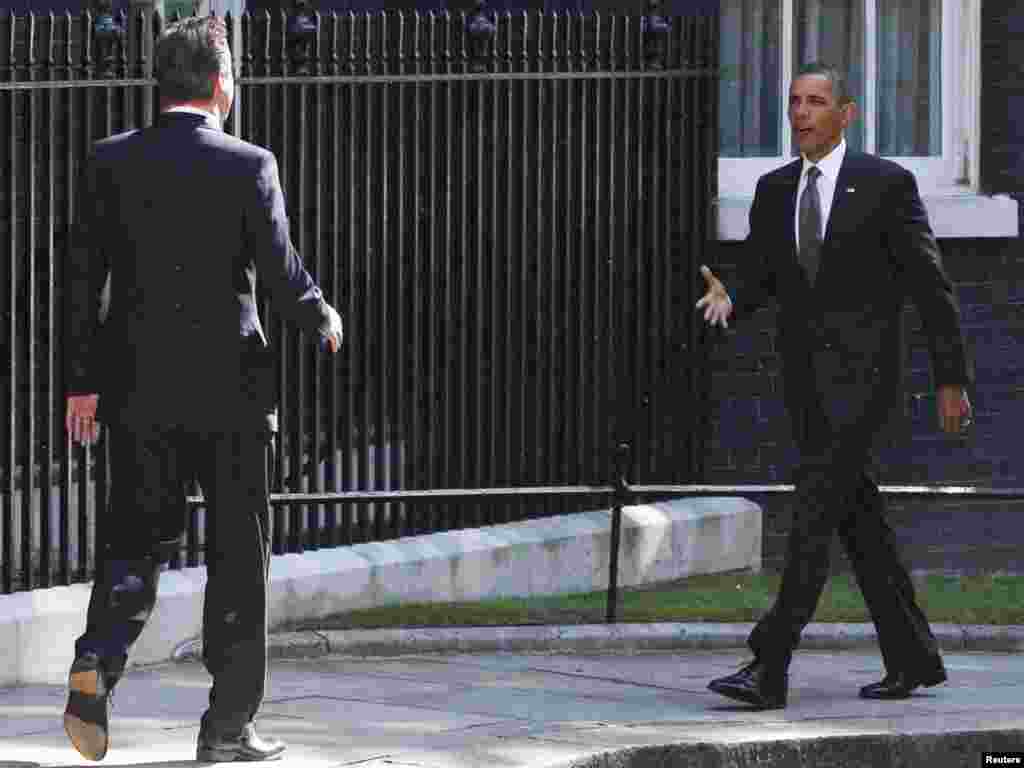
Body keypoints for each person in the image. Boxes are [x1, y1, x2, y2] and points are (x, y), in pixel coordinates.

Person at [62, 15, 343, 762]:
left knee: (134, 537)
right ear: (222, 87)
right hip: (233, 395)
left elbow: (82, 284)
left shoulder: (110, 160)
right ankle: (227, 727)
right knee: (237, 557)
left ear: (163, 86)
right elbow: (282, 279)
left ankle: (98, 658)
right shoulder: (251, 164)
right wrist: (322, 315)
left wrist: (81, 386)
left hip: (137, 389)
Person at [697, 62, 973, 709]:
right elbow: (763, 274)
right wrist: (730, 298)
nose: (801, 113)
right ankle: (914, 658)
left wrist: (950, 376)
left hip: (864, 386)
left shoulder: (885, 185)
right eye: (794, 101)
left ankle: (769, 664)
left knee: (813, 518)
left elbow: (930, 285)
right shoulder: (774, 189)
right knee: (860, 523)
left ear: (845, 114)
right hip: (806, 387)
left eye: (816, 102)